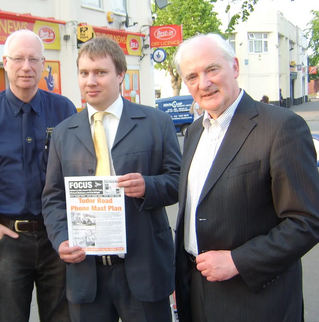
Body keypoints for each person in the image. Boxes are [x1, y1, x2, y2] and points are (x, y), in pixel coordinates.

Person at [173, 33, 319, 322]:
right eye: (192, 76)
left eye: (212, 69)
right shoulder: (194, 133)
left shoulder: (281, 127)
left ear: (235, 67)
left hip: (256, 302)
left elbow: (307, 221)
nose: (203, 83)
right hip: (197, 292)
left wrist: (237, 261)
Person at [42, 36, 182, 322]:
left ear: (120, 75)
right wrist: (60, 240)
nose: (90, 81)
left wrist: (148, 186)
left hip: (143, 267)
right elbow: (53, 198)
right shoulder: (63, 132)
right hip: (86, 272)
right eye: (84, 73)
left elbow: (179, 182)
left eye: (100, 72)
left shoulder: (157, 123)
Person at [0, 29, 76, 322]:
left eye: (33, 59)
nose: (26, 66)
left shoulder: (63, 109)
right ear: (5, 62)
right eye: (18, 59)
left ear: (42, 64)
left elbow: (78, 167)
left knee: (62, 317)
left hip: (57, 237)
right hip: (8, 240)